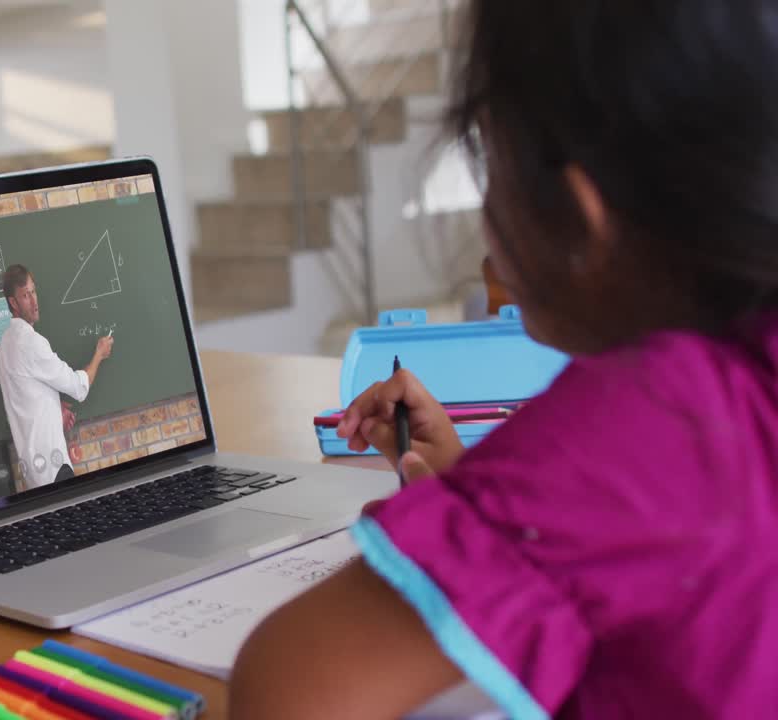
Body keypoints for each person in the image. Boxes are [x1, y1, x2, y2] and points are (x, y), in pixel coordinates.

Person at [230, 1, 778, 717]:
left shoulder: (650, 420)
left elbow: (286, 692)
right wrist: (475, 497)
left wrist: (496, 511)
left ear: (582, 216)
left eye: (488, 158)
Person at [0, 264, 113, 489]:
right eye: (25, 295)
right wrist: (99, 354)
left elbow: (26, 394)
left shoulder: (5, 344)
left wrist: (54, 407)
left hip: (33, 473)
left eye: (33, 292)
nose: (33, 301)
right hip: (53, 468)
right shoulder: (31, 342)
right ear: (13, 303)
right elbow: (79, 388)